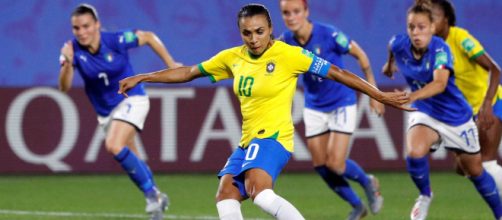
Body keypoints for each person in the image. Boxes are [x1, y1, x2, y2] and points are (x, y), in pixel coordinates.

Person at [118, 4, 411, 220]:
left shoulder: (288, 54)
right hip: (248, 142)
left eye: (259, 31)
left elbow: (336, 71)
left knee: (259, 191)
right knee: (225, 196)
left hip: (274, 138)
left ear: (270, 29)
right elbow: (188, 72)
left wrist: (379, 94)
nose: (254, 38)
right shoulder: (232, 58)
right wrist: (144, 76)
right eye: (247, 33)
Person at [58, 4, 181, 220]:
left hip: (132, 98)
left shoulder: (115, 40)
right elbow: (64, 87)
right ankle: (157, 197)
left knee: (114, 145)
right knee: (134, 159)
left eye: (86, 26)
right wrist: (67, 62)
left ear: (97, 25)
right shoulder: (71, 51)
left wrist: (171, 64)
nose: (81, 32)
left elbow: (149, 37)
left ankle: (152, 197)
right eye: (76, 28)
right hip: (106, 114)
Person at [382, 0, 502, 219]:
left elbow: (440, 84)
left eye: (422, 26)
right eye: (411, 27)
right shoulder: (399, 43)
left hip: (459, 115)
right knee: (415, 151)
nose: (416, 32)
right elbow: (392, 48)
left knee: (475, 170)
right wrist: (389, 65)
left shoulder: (444, 47)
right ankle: (425, 196)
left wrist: (411, 96)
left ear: (433, 27)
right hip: (426, 111)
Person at [278, 0, 384, 218]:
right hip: (314, 105)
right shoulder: (286, 41)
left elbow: (361, 56)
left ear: (306, 12)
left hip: (341, 102)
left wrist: (374, 92)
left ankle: (368, 181)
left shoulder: (330, 34)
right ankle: (357, 206)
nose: (291, 17)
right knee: (320, 165)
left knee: (335, 163)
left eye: (296, 11)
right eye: (286, 13)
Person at [430, 0, 502, 201]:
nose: (430, 21)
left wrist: (487, 105)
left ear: (446, 20)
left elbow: (495, 70)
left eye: (434, 16)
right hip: (469, 114)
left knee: (485, 164)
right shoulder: (433, 47)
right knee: (463, 168)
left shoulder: (460, 38)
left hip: (492, 104)